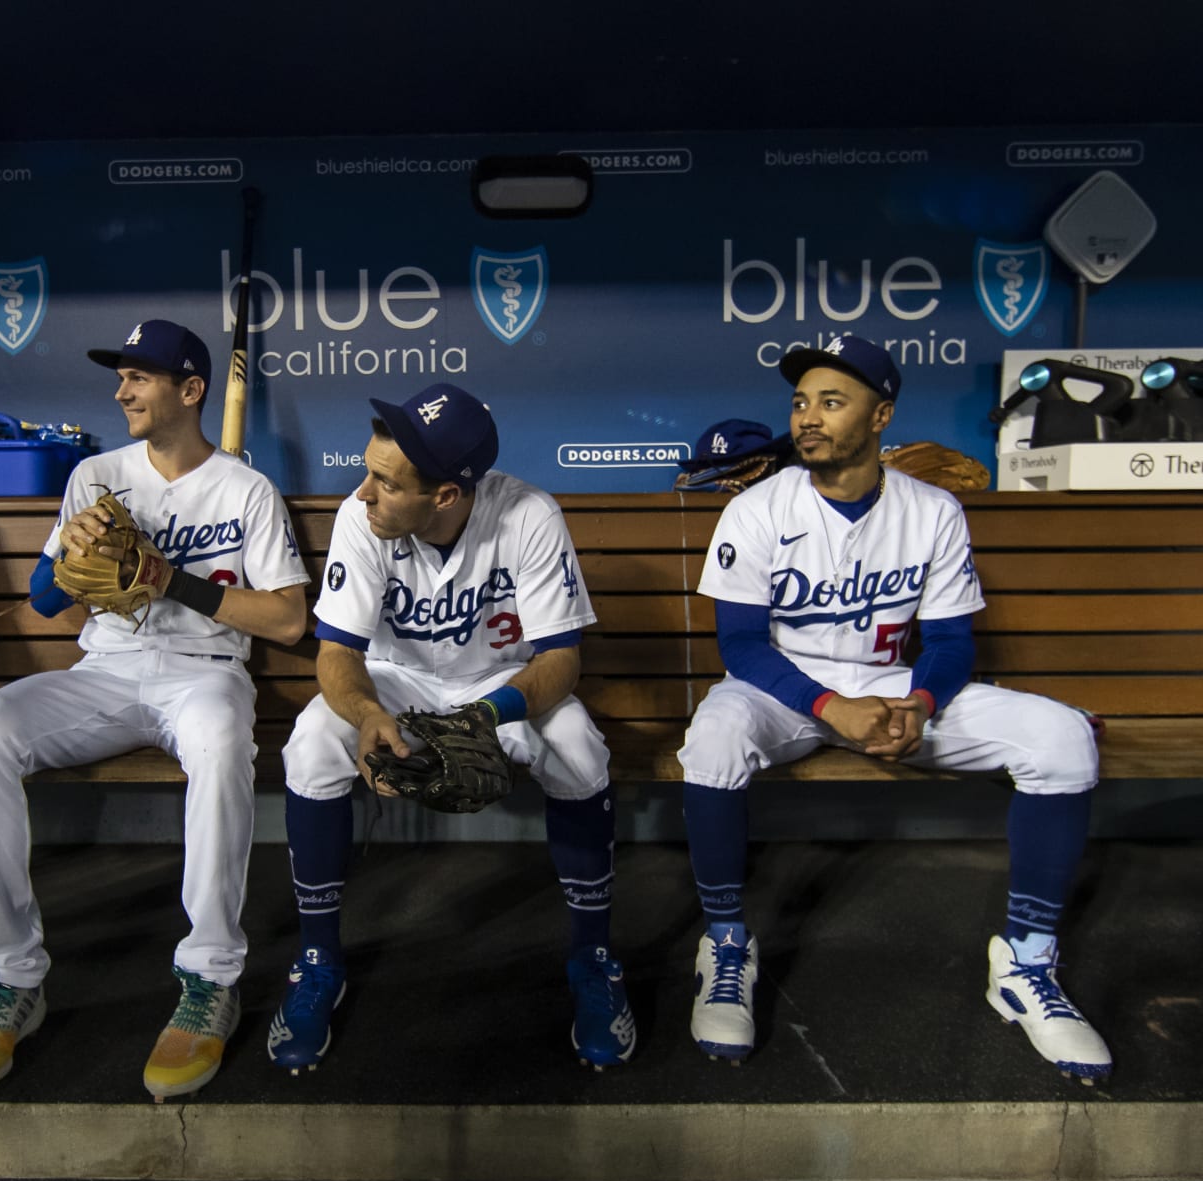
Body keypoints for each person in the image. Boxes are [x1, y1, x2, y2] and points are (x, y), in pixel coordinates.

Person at [678, 334, 1110, 1082]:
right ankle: (724, 943)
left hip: (889, 686)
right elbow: (743, 648)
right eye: (801, 402)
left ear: (881, 417)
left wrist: (918, 703)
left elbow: (948, 644)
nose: (808, 417)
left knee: (1063, 738)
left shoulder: (933, 510)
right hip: (781, 689)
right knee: (713, 739)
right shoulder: (755, 509)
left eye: (831, 402)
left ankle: (1025, 963)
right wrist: (829, 708)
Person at [0, 319, 310, 1102]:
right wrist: (72, 561)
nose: (121, 390)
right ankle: (10, 977)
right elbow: (42, 602)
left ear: (191, 390)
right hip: (105, 670)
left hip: (204, 672)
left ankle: (210, 976)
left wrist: (170, 578)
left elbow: (285, 620)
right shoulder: (95, 474)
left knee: (218, 743)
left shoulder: (246, 489)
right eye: (121, 376)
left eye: (139, 377)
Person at [268, 383, 635, 1074]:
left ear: (445, 496)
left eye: (386, 482)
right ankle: (316, 959)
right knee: (312, 743)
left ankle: (594, 960)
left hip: (500, 684)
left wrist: (486, 716)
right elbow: (338, 653)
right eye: (369, 473)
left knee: (581, 750)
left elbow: (561, 659)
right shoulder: (363, 515)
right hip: (397, 680)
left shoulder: (527, 513)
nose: (365, 493)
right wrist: (369, 715)